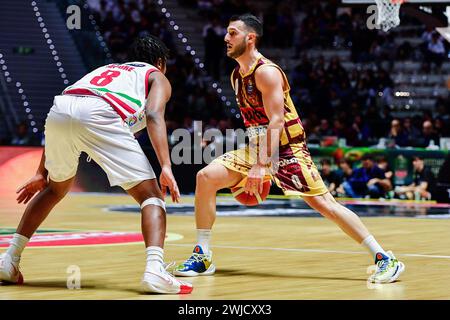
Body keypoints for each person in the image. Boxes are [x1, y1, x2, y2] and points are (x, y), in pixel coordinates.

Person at [174, 14, 404, 283]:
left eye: (232, 33)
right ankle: (203, 255)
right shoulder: (237, 75)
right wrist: (254, 162)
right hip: (258, 146)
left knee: (325, 205)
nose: (225, 38)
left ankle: (385, 258)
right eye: (227, 32)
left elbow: (277, 120)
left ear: (250, 38)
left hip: (287, 148)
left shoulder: (266, 72)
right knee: (206, 177)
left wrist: (262, 166)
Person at [0, 36, 193, 295]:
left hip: (60, 109)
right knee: (151, 197)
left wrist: (40, 172)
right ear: (160, 62)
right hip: (100, 112)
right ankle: (155, 270)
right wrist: (166, 167)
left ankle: (9, 259)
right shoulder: (156, 76)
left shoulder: (108, 71)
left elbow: (74, 111)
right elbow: (154, 114)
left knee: (54, 190)